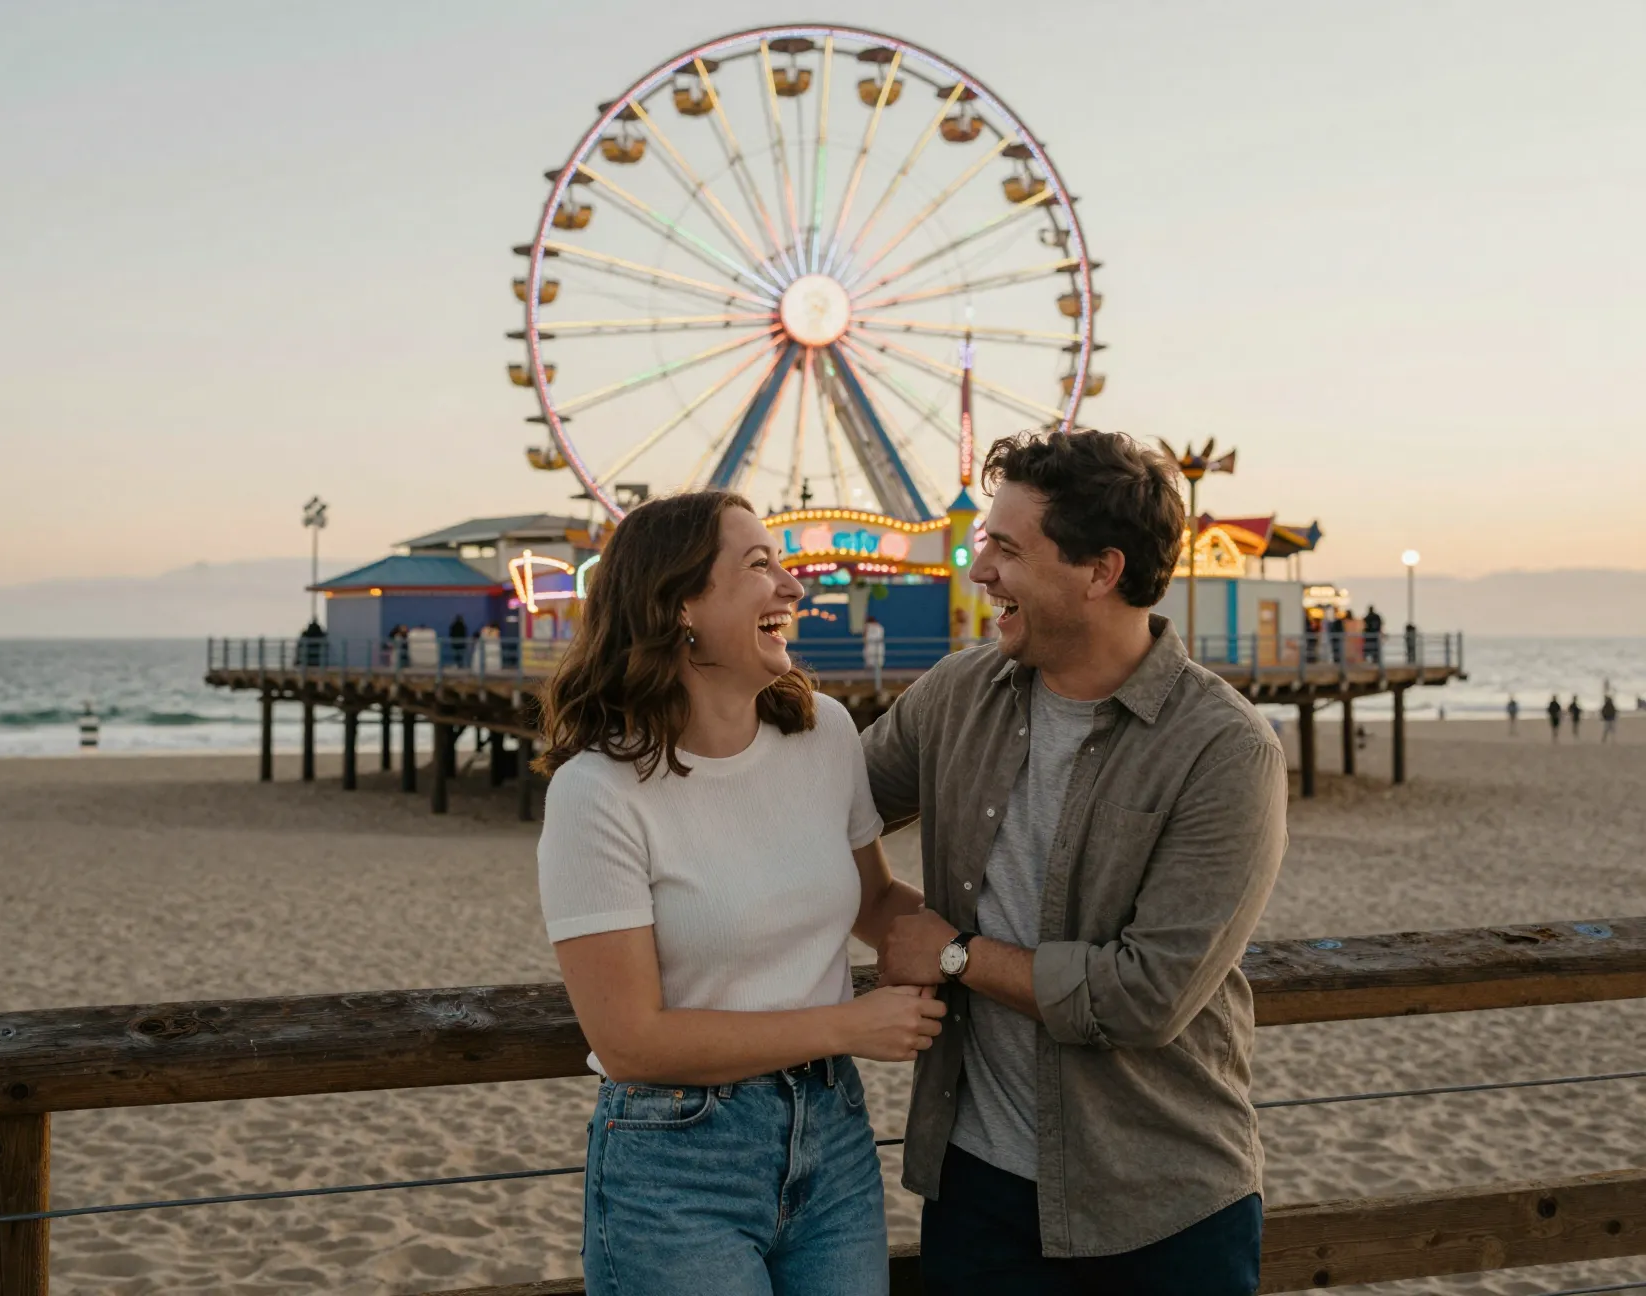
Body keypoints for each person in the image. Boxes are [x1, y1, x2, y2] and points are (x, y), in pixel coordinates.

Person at [862, 429, 1288, 1295]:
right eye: (985, 542)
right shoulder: (956, 694)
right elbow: (813, 810)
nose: (979, 570)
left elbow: (1145, 995)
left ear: (1100, 571)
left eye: (1007, 549)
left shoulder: (1224, 750)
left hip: (1157, 1203)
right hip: (975, 1189)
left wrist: (951, 955)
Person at [535, 490, 946, 1296]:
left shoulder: (822, 733)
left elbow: (872, 901)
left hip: (831, 1133)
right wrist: (850, 1024)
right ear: (679, 604)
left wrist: (987, 950)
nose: (792, 587)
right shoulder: (598, 793)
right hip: (680, 1157)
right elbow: (630, 1042)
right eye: (760, 565)